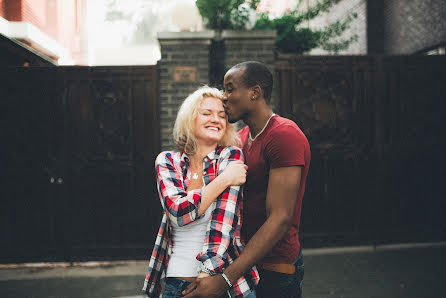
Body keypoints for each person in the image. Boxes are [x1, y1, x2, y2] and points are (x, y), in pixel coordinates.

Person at [183, 61, 311, 298]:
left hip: (275, 268)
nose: (224, 97)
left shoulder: (283, 135)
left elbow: (280, 219)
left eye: (230, 88)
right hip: (244, 265)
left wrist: (225, 280)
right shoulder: (242, 138)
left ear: (255, 92)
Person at [142, 86, 259, 298]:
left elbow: (224, 221)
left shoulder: (231, 156)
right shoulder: (167, 160)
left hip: (222, 283)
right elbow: (177, 213)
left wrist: (208, 272)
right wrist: (223, 179)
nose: (216, 119)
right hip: (175, 281)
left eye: (222, 115)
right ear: (189, 119)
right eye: (207, 113)